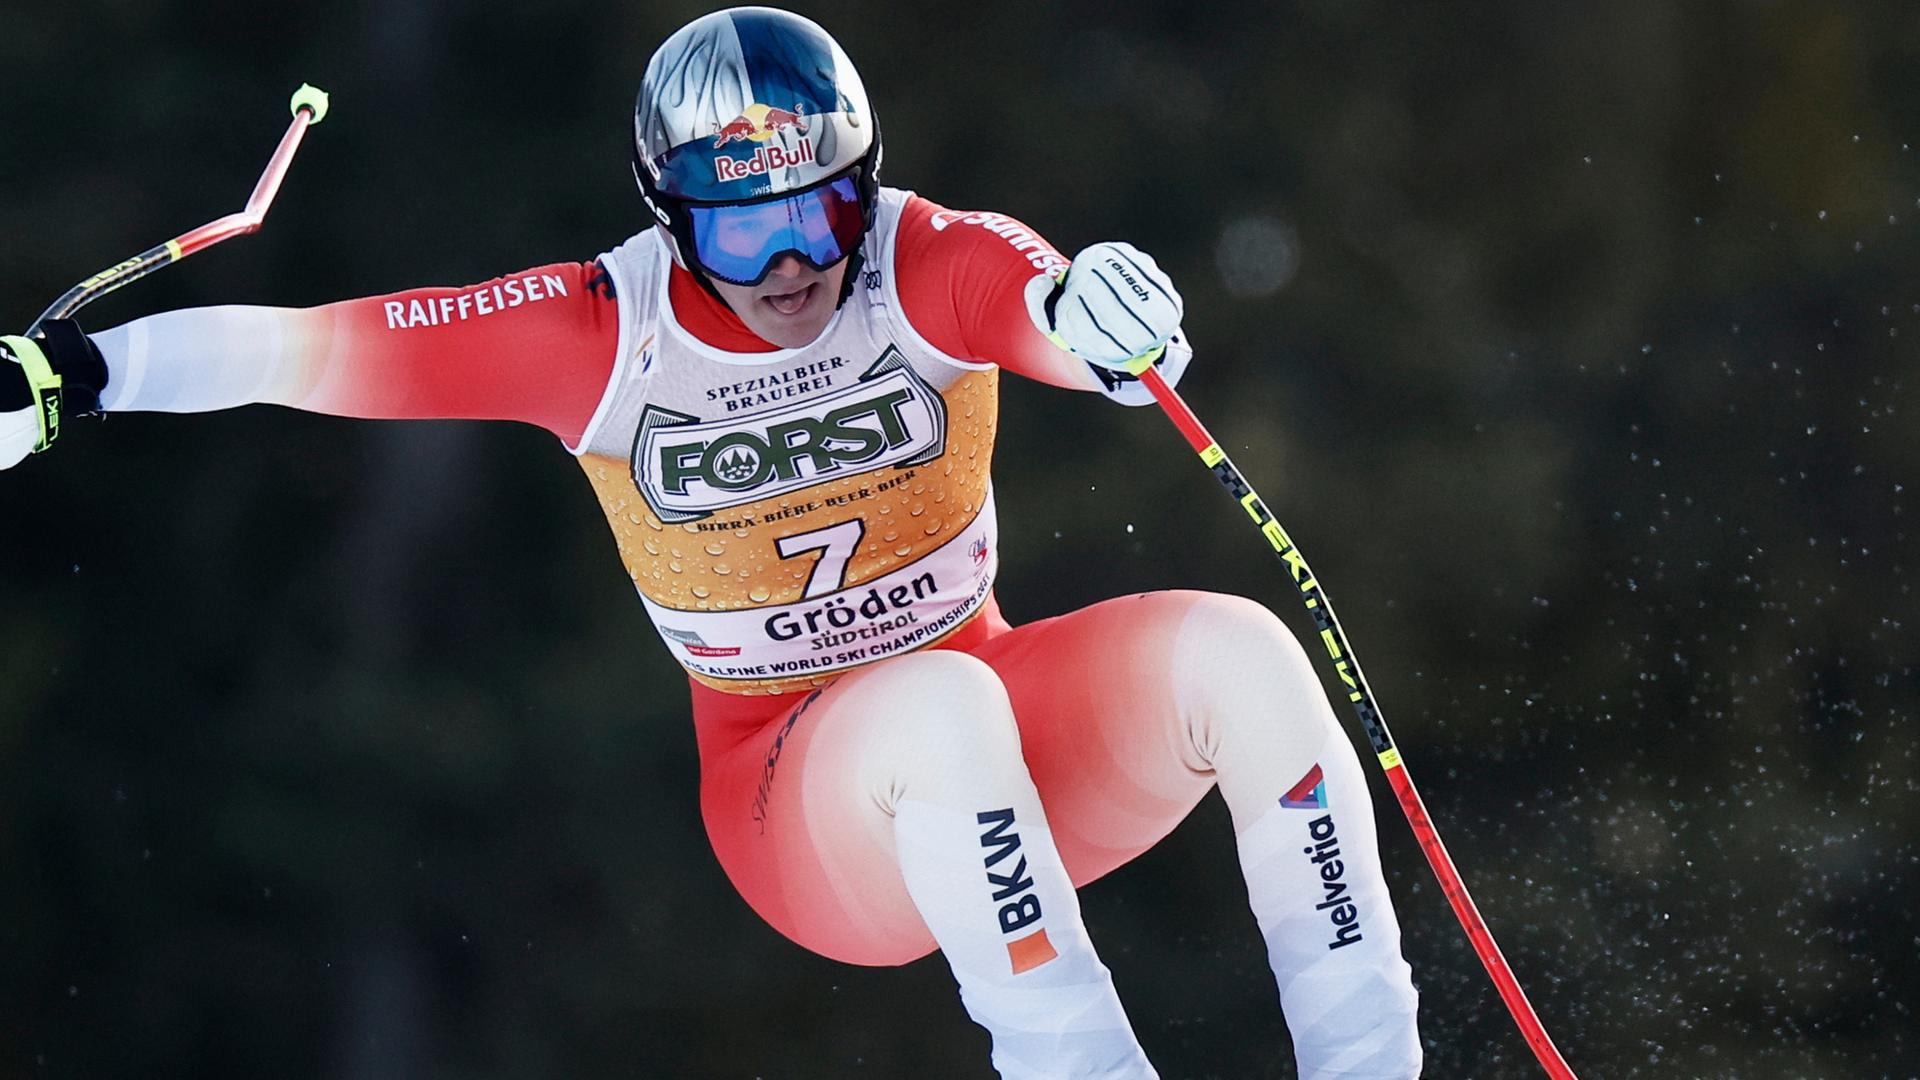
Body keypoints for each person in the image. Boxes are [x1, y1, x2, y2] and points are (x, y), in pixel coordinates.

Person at [0, 8, 1422, 1077]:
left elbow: (1047, 310)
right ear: (674, 223)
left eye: (822, 210)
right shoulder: (597, 333)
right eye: (741, 237)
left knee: (1241, 653)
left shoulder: (917, 262)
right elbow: (307, 350)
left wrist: (1112, 324)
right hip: (798, 801)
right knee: (936, 706)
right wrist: (79, 377)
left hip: (1004, 729)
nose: (796, 264)